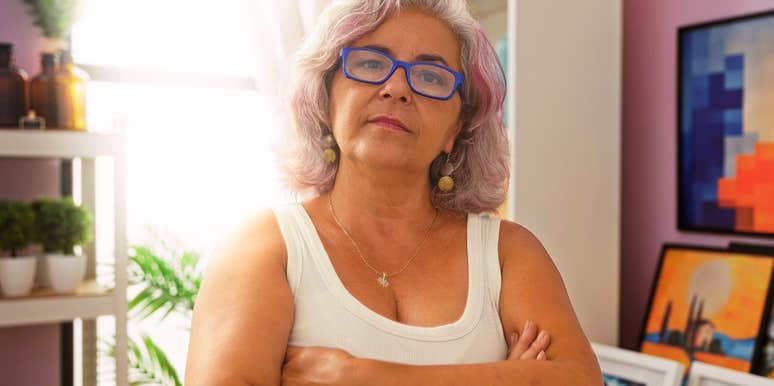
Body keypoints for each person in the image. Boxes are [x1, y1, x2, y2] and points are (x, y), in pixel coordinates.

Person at [185, 0, 602, 385]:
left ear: (456, 129)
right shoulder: (266, 248)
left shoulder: (509, 253)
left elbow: (579, 380)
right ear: (326, 99)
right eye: (369, 63)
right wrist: (506, 378)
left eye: (430, 76)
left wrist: (364, 376)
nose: (397, 88)